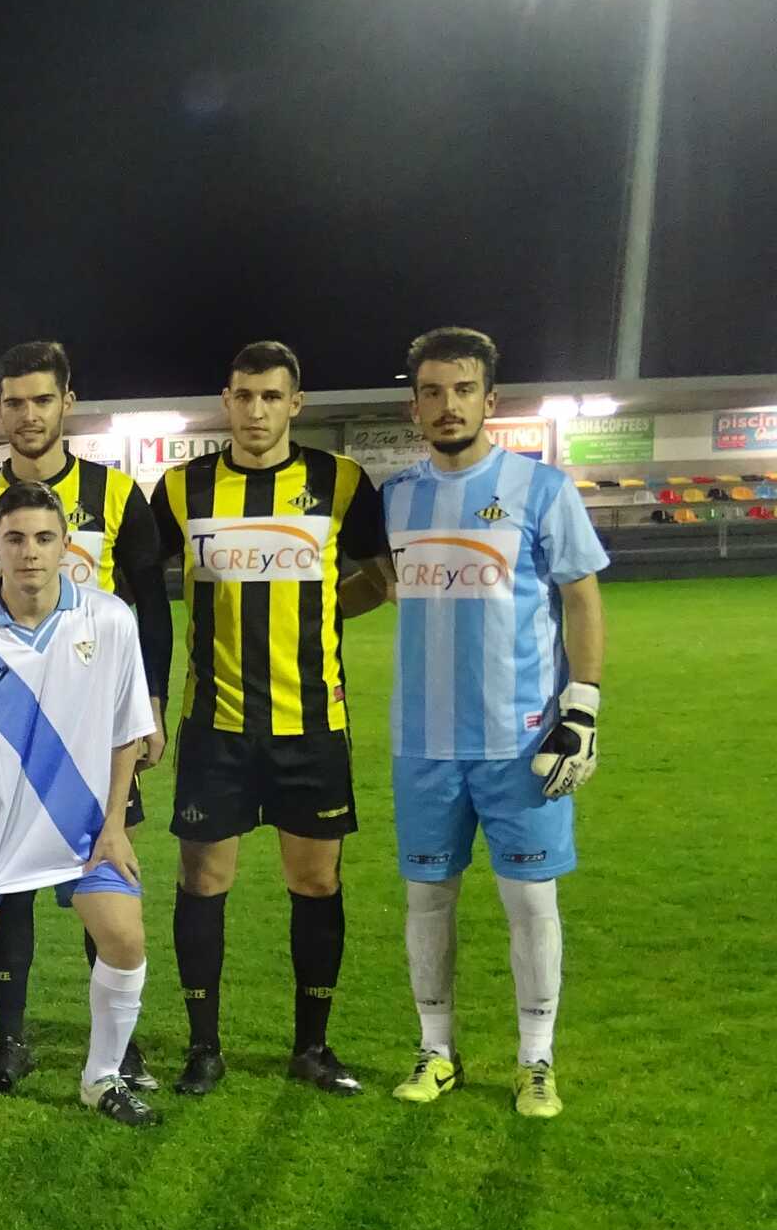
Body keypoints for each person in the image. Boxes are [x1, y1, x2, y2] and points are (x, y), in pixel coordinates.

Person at [150, 342, 393, 1098]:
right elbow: (140, 585)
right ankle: (204, 1048)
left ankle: (312, 1048)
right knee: (203, 878)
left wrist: (320, 611)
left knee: (315, 882)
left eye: (271, 397)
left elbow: (380, 579)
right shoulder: (182, 488)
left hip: (310, 723)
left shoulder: (341, 481)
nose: (256, 411)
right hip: (214, 723)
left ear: (295, 403)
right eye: (244, 396)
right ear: (226, 401)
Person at [381, 326, 607, 1119]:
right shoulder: (395, 498)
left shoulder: (541, 489)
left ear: (490, 399)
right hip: (422, 741)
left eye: (464, 389)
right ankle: (436, 1051)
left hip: (522, 740)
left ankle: (535, 1061)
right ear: (414, 407)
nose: (448, 405)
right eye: (433, 391)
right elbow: (370, 584)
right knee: (427, 902)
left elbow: (581, 598)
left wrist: (583, 706)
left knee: (531, 904)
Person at [0, 340, 171, 1095]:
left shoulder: (116, 492)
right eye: (15, 402)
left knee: (105, 880)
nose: (29, 414)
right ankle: (7, 1039)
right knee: (3, 902)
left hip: (87, 726)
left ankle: (115, 1056)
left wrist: (152, 702)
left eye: (43, 399)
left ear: (67, 402)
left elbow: (150, 601)